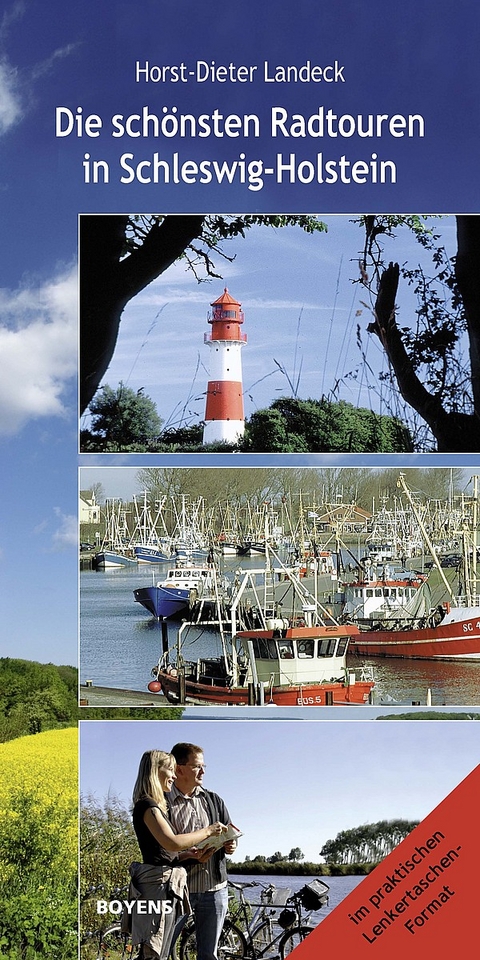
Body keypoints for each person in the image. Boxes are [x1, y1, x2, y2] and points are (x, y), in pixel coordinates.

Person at [129, 749, 227, 960]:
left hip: (164, 885)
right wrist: (208, 831)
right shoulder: (148, 806)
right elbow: (172, 843)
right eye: (170, 770)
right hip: (157, 888)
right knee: (154, 953)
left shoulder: (154, 806)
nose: (173, 776)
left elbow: (162, 853)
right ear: (155, 771)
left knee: (159, 952)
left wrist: (188, 855)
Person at [167, 742, 238, 960]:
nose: (203, 771)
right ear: (179, 769)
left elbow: (231, 829)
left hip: (214, 890)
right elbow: (161, 849)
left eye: (203, 766)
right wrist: (186, 856)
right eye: (197, 766)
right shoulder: (162, 803)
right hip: (177, 891)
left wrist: (231, 844)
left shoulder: (213, 799)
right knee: (163, 950)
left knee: (208, 955)